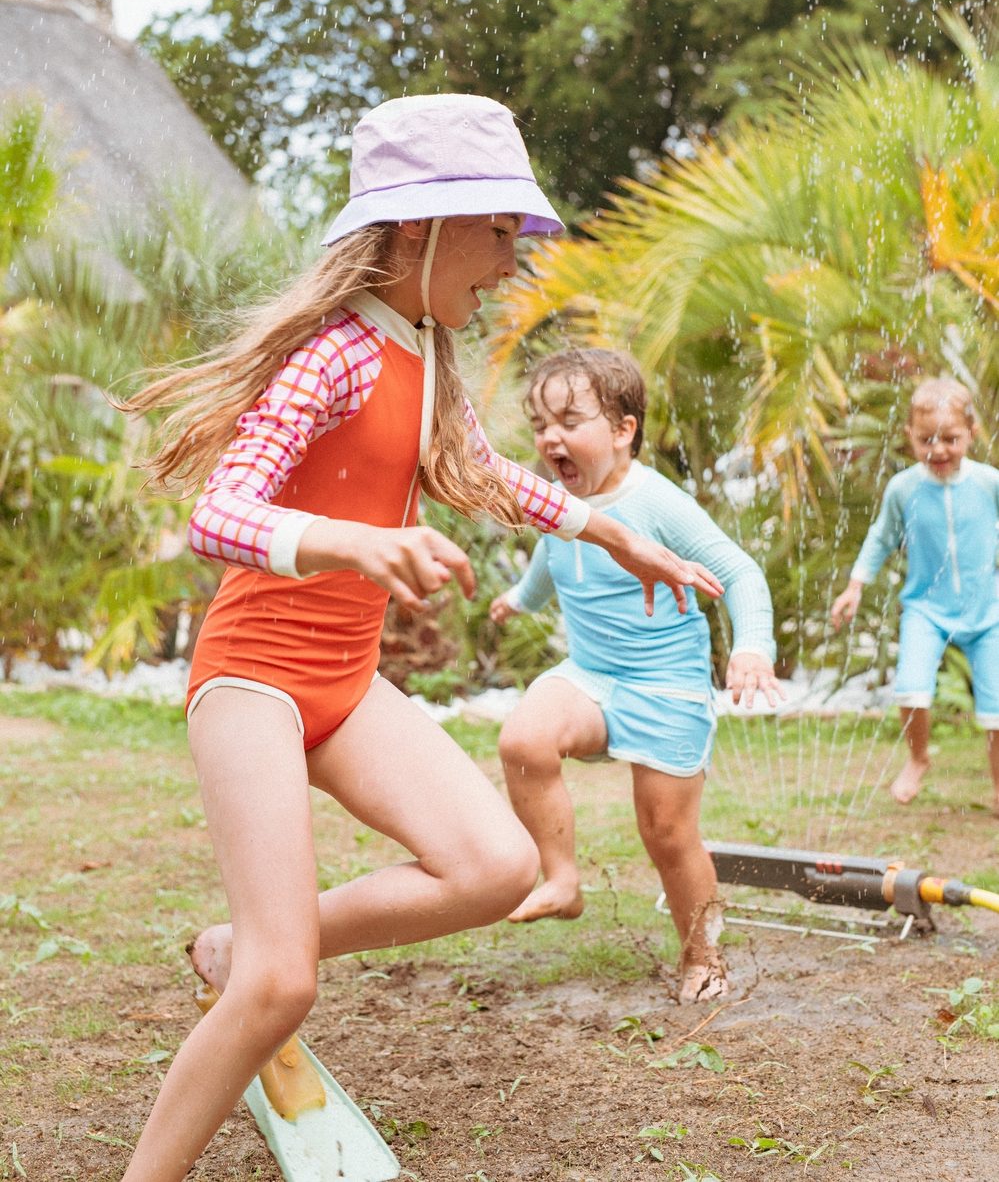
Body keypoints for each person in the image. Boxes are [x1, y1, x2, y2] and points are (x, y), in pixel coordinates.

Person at [117, 95, 725, 1181]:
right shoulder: (334, 354)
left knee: (497, 866)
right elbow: (220, 514)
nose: (509, 261)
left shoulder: (428, 353)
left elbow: (484, 472)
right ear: (417, 230)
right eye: (496, 231)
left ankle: (240, 946)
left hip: (344, 685)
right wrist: (355, 543)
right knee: (281, 988)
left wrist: (617, 535)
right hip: (255, 680)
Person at [489, 347, 782, 1004]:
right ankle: (562, 879)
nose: (550, 439)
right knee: (523, 740)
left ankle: (703, 958)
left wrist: (752, 647)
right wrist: (520, 599)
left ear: (623, 429)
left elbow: (738, 571)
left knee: (668, 835)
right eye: (540, 425)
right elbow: (549, 557)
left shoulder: (655, 502)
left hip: (664, 686)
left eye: (569, 421)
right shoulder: (557, 501)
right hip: (590, 676)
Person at [831, 377, 999, 809]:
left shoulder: (988, 483)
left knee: (997, 710)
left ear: (972, 433)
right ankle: (918, 758)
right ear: (909, 435)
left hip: (988, 611)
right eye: (926, 440)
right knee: (910, 690)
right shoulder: (903, 489)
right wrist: (855, 586)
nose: (938, 450)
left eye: (950, 439)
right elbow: (880, 538)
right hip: (926, 609)